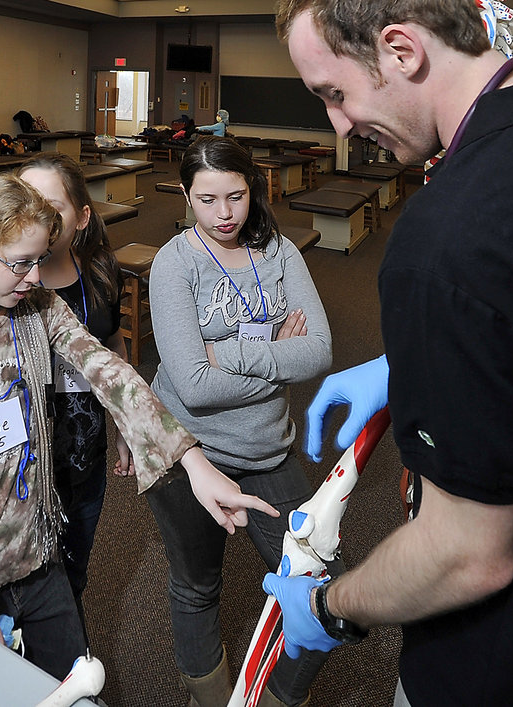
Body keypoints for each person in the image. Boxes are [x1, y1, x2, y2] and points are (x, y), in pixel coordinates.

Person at [0, 173, 278, 680]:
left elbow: (111, 374)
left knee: (72, 683)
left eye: (40, 259)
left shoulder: (38, 308)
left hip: (37, 552)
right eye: (20, 263)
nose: (34, 276)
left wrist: (195, 465)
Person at [264, 2, 513, 705]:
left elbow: (466, 555)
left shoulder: (445, 239)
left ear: (400, 50)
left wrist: (330, 609)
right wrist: (411, 363)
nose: (340, 124)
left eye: (334, 92)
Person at [145, 136, 333, 707]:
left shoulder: (278, 252)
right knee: (197, 587)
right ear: (185, 194)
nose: (224, 214)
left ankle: (274, 701)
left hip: (269, 450)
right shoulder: (174, 264)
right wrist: (278, 353)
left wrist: (225, 355)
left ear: (255, 189)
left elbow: (320, 351)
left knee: (318, 585)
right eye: (207, 200)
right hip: (189, 455)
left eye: (236, 196)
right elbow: (195, 392)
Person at [16, 152, 132, 633]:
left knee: (75, 567)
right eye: (23, 201)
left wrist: (126, 425)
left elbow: (113, 344)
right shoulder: (6, 284)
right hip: (21, 469)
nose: (36, 216)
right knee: (27, 581)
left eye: (51, 205)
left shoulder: (101, 272)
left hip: (85, 456)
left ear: (82, 216)